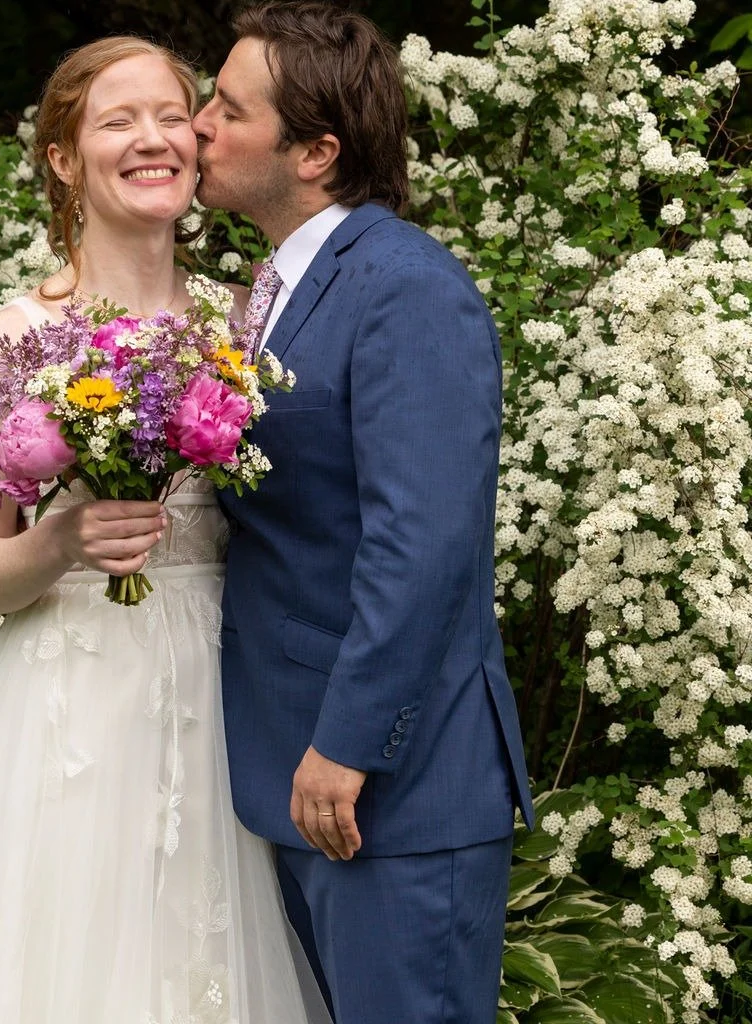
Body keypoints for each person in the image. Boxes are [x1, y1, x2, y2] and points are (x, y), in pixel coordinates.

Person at [0, 36, 329, 1024]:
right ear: (64, 159)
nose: (153, 138)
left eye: (173, 116)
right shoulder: (2, 343)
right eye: (117, 121)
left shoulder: (246, 324)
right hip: (65, 709)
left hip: (223, 698)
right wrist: (60, 540)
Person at [193, 4, 536, 1023]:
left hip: (386, 790)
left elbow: (421, 545)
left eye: (226, 106)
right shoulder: (277, 288)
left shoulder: (404, 290)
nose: (198, 123)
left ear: (315, 152)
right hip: (296, 777)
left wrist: (347, 746)